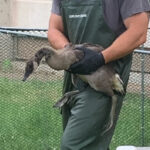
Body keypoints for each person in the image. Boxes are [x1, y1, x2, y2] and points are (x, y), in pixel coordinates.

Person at [48, 0, 150, 149]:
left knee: (74, 146)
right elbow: (53, 29)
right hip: (74, 78)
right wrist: (72, 53)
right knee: (91, 144)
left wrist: (99, 58)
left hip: (104, 82)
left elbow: (138, 32)